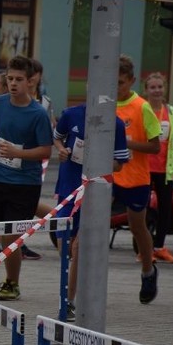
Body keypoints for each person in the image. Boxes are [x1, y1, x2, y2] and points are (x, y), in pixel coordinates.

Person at [0, 56, 53, 301]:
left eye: (19, 79)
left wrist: (18, 153)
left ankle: (11, 282)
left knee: (10, 238)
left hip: (25, 184)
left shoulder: (38, 114)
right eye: (10, 79)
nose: (13, 84)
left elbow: (46, 151)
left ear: (31, 81)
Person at [52, 104, 129, 321]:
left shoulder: (116, 124)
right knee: (64, 249)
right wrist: (61, 149)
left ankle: (68, 300)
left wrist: (99, 159)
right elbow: (57, 138)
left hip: (95, 192)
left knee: (79, 249)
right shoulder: (70, 114)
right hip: (68, 188)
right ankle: (74, 288)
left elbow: (120, 164)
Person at [113, 55, 161, 303]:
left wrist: (125, 142)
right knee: (94, 226)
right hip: (110, 176)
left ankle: (148, 270)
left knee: (136, 226)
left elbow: (155, 147)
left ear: (131, 81)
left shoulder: (141, 107)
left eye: (120, 82)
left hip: (136, 178)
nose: (116, 87)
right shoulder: (105, 103)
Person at [143, 72, 173, 264]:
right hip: (143, 168)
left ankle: (159, 247)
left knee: (165, 209)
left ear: (165, 88)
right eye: (152, 87)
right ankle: (143, 250)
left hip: (165, 169)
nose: (157, 91)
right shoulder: (142, 110)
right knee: (141, 210)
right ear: (146, 90)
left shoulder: (171, 112)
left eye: (160, 87)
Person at [21, 58, 56, 261]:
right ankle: (15, 240)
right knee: (22, 200)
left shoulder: (45, 101)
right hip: (14, 154)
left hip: (37, 153)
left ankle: (19, 240)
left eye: (36, 74)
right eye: (30, 73)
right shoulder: (14, 98)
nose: (33, 78)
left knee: (27, 198)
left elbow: (50, 125)